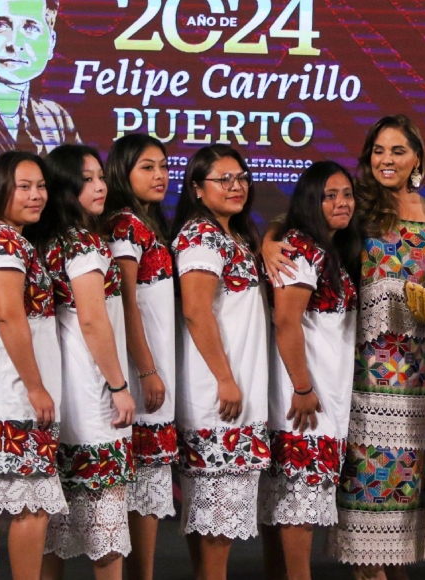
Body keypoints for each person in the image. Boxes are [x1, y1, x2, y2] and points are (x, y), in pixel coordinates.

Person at [306, 115, 425, 579]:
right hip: (362, 372)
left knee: (407, 479)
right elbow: (294, 227)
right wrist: (272, 243)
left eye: (396, 151)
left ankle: (396, 566)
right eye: (378, 151)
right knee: (366, 475)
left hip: (418, 374)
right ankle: (367, 570)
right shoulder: (358, 209)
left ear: (417, 158)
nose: (386, 160)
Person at [29, 144, 136, 578]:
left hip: (59, 396)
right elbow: (93, 321)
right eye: (86, 179)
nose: (99, 186)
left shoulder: (47, 240)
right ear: (65, 188)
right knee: (105, 531)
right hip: (93, 398)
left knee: (55, 523)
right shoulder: (84, 243)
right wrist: (118, 385)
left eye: (100, 176)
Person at [170, 145, 270, 580]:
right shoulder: (201, 236)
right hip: (217, 395)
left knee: (212, 518)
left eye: (241, 177)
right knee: (215, 518)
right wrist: (225, 378)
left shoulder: (235, 237)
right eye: (223, 179)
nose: (236, 186)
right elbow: (196, 309)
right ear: (196, 188)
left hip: (231, 392)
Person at [0, 150, 64, 579]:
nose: (36, 194)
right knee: (32, 506)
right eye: (24, 186)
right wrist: (36, 386)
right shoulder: (2, 241)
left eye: (41, 186)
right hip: (10, 394)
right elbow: (8, 313)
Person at [258, 161, 360, 580]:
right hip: (303, 397)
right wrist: (302, 388)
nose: (341, 203)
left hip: (321, 391)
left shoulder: (322, 245)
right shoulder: (302, 248)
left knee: (287, 500)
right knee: (296, 502)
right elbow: (286, 321)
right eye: (329, 195)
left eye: (347, 194)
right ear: (310, 202)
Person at [102, 133, 175, 580]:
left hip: (154, 366)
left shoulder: (147, 223)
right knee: (141, 482)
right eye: (147, 166)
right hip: (138, 370)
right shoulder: (125, 225)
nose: (160, 175)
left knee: (147, 485)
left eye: (163, 166)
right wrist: (146, 370)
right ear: (123, 172)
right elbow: (124, 302)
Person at [0, 0, 79, 174]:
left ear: (51, 43)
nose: (15, 43)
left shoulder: (56, 118)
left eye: (31, 28)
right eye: (0, 26)